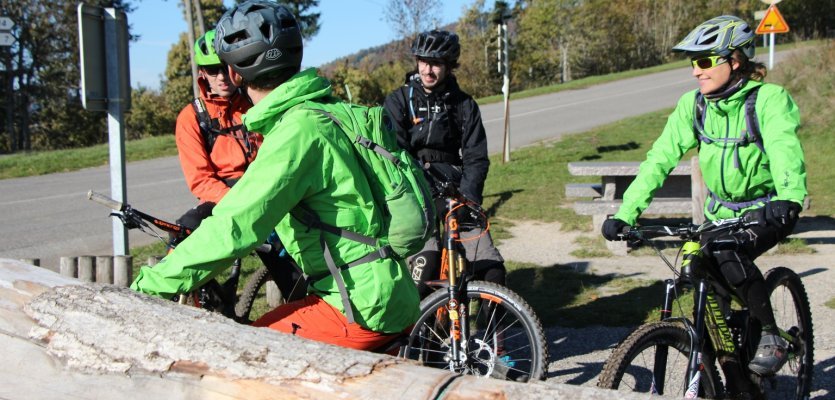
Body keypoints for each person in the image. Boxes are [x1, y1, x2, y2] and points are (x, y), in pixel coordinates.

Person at [131, 0, 419, 351]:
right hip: (390, 292)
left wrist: (148, 285)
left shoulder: (296, 133)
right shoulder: (331, 111)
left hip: (359, 307)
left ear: (236, 74)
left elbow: (234, 228)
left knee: (243, 355)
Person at [600, 16, 806, 378]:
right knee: (698, 270)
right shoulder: (693, 106)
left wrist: (789, 199)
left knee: (727, 253)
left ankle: (771, 334)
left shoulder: (769, 100)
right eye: (694, 62)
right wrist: (626, 213)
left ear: (735, 60)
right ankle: (728, 368)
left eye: (706, 61)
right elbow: (659, 159)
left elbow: (784, 148)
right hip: (719, 211)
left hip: (764, 209)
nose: (697, 71)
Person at [384, 30, 506, 299]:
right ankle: (420, 337)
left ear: (449, 66)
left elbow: (476, 157)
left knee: (492, 270)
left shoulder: (465, 105)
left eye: (436, 63)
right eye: (424, 62)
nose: (428, 70)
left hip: (457, 191)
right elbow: (395, 155)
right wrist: (425, 194)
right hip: (416, 192)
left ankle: (488, 335)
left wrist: (468, 199)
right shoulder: (399, 100)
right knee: (425, 266)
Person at [173, 29, 260, 232]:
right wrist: (237, 202)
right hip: (222, 196)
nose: (221, 77)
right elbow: (201, 180)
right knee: (184, 231)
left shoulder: (255, 104)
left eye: (225, 67)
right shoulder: (191, 117)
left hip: (261, 188)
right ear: (202, 72)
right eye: (213, 70)